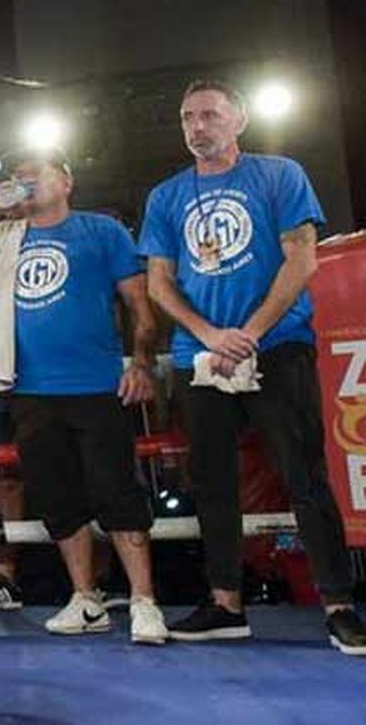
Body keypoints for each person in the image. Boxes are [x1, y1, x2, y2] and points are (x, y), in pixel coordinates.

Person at [138, 78, 366, 654]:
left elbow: (303, 257)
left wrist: (252, 333)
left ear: (238, 119)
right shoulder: (166, 196)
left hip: (278, 344)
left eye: (210, 115)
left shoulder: (279, 174)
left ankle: (340, 604)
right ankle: (225, 603)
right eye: (188, 117)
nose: (197, 127)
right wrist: (212, 335)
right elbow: (159, 283)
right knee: (212, 483)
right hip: (201, 354)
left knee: (304, 476)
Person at [0, 148, 168, 645]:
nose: (24, 184)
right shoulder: (2, 239)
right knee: (57, 498)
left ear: (65, 180)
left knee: (117, 493)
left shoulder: (101, 231)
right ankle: (86, 599)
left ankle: (145, 601)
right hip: (28, 390)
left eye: (32, 175)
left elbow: (139, 305)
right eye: (16, 178)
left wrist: (144, 363)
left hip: (96, 384)